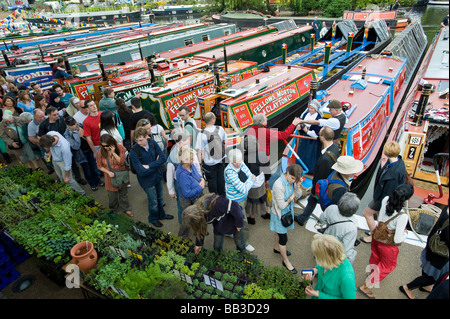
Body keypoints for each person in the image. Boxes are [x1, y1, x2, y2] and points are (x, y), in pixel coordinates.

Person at [358, 183, 414, 299]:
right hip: (388, 245)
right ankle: (366, 286)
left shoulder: (386, 199)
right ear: (408, 199)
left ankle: (371, 274)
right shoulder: (402, 216)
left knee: (375, 257)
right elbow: (398, 239)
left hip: (377, 236)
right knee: (387, 266)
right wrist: (405, 234)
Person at [361, 141, 406, 244]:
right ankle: (377, 230)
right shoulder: (395, 162)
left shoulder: (394, 172)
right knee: (378, 215)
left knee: (367, 214)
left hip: (383, 198)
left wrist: (380, 203)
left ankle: (373, 236)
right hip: (382, 196)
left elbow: (389, 192)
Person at [400, 207, 448, 299]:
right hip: (440, 253)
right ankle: (407, 287)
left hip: (433, 245)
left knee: (427, 268)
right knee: (434, 278)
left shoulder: (446, 209)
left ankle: (423, 286)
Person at [296, 127, 341, 226]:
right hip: (328, 182)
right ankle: (302, 218)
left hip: (322, 187)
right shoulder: (334, 147)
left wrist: (313, 191)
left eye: (320, 134)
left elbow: (320, 177)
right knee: (312, 201)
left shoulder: (325, 159)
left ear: (323, 137)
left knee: (323, 206)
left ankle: (331, 223)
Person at [130, 127, 173, 227]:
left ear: (146, 137)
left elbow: (163, 157)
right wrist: (156, 164)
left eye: (141, 140)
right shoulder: (134, 151)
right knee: (153, 201)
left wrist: (149, 166)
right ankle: (153, 218)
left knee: (160, 198)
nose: (139, 142)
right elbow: (141, 172)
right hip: (147, 181)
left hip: (157, 176)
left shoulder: (152, 142)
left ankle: (162, 215)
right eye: (137, 140)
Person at [270, 164, 303, 273]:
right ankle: (286, 261)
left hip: (287, 213)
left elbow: (299, 195)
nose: (293, 181)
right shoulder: (278, 185)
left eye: (295, 179)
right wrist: (291, 198)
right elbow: (282, 205)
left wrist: (297, 186)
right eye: (292, 178)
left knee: (278, 233)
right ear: (287, 172)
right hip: (279, 214)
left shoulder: (292, 182)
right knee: (283, 239)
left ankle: (276, 248)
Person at [304, 234, 356, 299]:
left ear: (325, 258)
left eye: (317, 256)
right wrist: (315, 270)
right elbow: (323, 266)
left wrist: (319, 294)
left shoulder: (347, 278)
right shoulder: (332, 258)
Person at [167, 131, 201, 226]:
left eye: (188, 143)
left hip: (192, 179)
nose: (187, 146)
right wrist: (171, 190)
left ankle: (194, 222)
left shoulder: (190, 150)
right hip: (180, 183)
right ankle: (183, 224)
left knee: (195, 203)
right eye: (184, 144)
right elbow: (169, 174)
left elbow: (197, 165)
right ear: (177, 143)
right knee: (181, 205)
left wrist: (200, 177)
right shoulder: (173, 157)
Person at [225, 148, 256, 252]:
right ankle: (244, 243)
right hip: (236, 201)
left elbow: (249, 173)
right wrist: (250, 181)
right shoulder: (229, 172)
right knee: (242, 223)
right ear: (230, 161)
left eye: (240, 161)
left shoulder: (239, 161)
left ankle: (228, 231)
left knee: (234, 220)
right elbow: (243, 189)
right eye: (236, 162)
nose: (239, 164)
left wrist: (247, 181)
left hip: (242, 198)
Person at [96, 134, 133, 217]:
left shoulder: (120, 148)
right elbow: (99, 166)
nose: (105, 147)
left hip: (121, 175)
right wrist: (108, 172)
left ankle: (126, 208)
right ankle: (114, 209)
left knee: (123, 194)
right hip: (110, 177)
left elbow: (122, 162)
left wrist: (113, 153)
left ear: (112, 143)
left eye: (107, 145)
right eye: (103, 146)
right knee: (112, 196)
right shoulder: (100, 152)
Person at [319, 192, 360, 264]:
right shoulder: (352, 227)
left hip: (325, 239)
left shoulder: (331, 208)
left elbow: (322, 220)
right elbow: (346, 249)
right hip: (334, 249)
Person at [64, 116, 102, 191]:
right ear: (67, 125)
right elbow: (76, 146)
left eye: (74, 123)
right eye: (71, 125)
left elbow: (90, 137)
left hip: (89, 150)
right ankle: (92, 184)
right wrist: (76, 134)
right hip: (81, 155)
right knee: (87, 170)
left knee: (94, 167)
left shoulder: (81, 126)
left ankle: (98, 181)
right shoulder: (67, 134)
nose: (74, 126)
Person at [176, 146, 205, 239]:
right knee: (187, 219)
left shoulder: (190, 165)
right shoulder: (182, 175)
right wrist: (200, 187)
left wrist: (201, 178)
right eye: (191, 158)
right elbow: (187, 194)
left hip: (196, 196)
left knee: (198, 215)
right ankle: (182, 237)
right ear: (184, 160)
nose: (193, 160)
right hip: (188, 200)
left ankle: (198, 231)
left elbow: (197, 175)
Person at [195, 112, 227, 196]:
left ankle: (214, 199)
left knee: (212, 181)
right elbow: (225, 142)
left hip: (209, 162)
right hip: (220, 158)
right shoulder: (220, 129)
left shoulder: (201, 134)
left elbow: (200, 151)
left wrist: (200, 163)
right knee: (221, 178)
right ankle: (223, 198)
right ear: (212, 120)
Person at [243, 134, 271, 224]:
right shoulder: (262, 155)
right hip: (261, 180)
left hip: (252, 183)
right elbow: (267, 170)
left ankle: (252, 218)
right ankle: (268, 212)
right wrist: (266, 179)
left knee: (252, 200)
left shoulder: (244, 158)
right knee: (264, 195)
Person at [297, 99, 323, 173]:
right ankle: (300, 167)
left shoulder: (318, 118)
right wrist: (299, 127)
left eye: (312, 108)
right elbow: (301, 123)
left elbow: (316, 133)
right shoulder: (305, 114)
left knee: (310, 155)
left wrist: (306, 131)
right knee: (302, 152)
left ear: (316, 109)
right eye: (309, 108)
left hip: (313, 141)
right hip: (304, 139)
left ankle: (310, 169)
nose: (310, 109)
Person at [28, 108, 54, 174]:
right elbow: (31, 138)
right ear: (35, 117)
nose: (43, 118)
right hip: (43, 145)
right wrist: (42, 141)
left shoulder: (48, 119)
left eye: (43, 116)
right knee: (47, 159)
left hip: (53, 142)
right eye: (40, 117)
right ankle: (51, 168)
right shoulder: (31, 125)